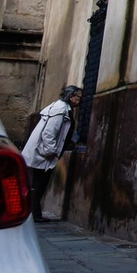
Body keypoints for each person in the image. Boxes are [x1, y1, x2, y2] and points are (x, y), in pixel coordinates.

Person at [21, 85, 81, 222]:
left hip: (43, 153)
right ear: (71, 96)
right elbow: (49, 133)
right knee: (39, 184)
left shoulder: (64, 108)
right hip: (43, 154)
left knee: (38, 184)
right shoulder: (60, 110)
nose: (80, 100)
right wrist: (51, 151)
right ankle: (34, 214)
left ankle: (34, 213)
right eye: (78, 97)